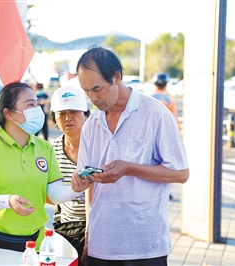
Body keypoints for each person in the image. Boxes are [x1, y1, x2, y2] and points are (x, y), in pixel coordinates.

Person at [75, 46, 190, 266]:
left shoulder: (156, 114)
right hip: (101, 244)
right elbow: (87, 185)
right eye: (86, 91)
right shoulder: (91, 124)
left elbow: (181, 173)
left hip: (145, 246)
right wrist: (79, 183)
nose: (93, 98)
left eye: (97, 88)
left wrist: (129, 168)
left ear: (117, 77)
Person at [0, 81, 89, 257]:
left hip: (34, 244)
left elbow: (54, 192)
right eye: (30, 104)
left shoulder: (44, 147)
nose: (37, 109)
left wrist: (74, 190)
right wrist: (7, 201)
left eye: (37, 103)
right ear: (9, 113)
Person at [50, 86, 90, 266]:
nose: (68, 117)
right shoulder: (51, 150)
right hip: (66, 230)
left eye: (74, 111)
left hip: (98, 230)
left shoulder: (99, 146)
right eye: (61, 113)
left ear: (86, 115)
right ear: (54, 119)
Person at [151, 72, 182, 200]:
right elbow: (174, 119)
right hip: (166, 137)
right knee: (168, 164)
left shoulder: (149, 97)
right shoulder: (169, 100)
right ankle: (167, 191)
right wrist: (178, 135)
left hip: (151, 135)